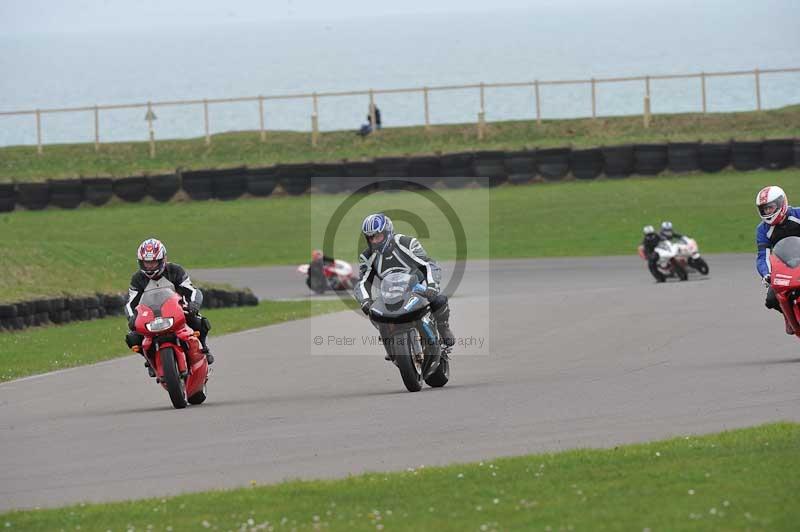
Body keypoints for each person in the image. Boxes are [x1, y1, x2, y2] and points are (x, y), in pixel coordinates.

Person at [355, 213, 455, 356]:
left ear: (388, 232)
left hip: (415, 286)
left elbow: (429, 264)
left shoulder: (406, 243)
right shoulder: (367, 256)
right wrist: (364, 301)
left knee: (439, 300)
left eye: (378, 236)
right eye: (371, 237)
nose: (375, 241)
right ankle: (389, 341)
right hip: (389, 291)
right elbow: (363, 281)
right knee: (374, 312)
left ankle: (443, 327)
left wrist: (432, 286)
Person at [124, 238, 213, 377]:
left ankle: (204, 348)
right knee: (132, 338)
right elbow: (131, 303)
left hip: (176, 310)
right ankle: (149, 360)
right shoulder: (137, 279)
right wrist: (131, 318)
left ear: (162, 259)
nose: (150, 266)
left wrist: (194, 304)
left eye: (153, 262)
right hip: (150, 315)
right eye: (146, 263)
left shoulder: (175, 270)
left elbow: (192, 290)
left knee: (199, 322)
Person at [755, 186, 800, 333]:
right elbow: (763, 255)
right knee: (771, 299)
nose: (767, 212)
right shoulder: (762, 230)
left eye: (770, 207)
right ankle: (788, 316)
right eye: (764, 209)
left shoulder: (798, 215)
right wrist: (767, 274)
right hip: (786, 267)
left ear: (782, 203)